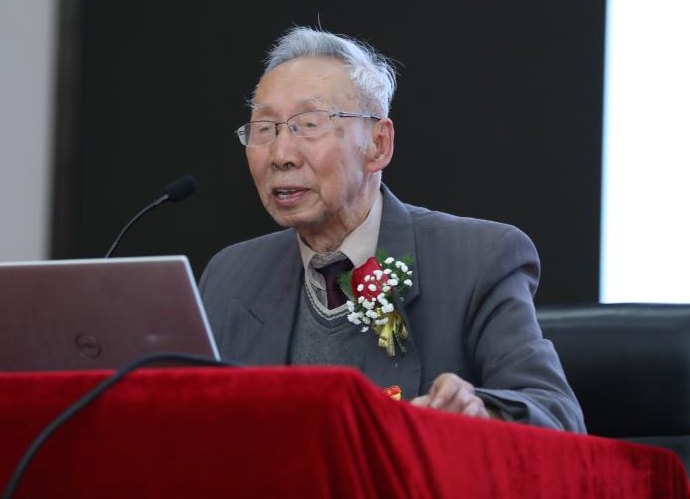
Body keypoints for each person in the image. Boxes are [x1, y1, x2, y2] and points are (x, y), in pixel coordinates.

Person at [199, 27, 584, 432]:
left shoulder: (477, 260)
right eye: (264, 129)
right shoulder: (231, 276)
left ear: (378, 145)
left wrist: (479, 417)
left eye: (309, 124)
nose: (281, 154)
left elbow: (558, 417)